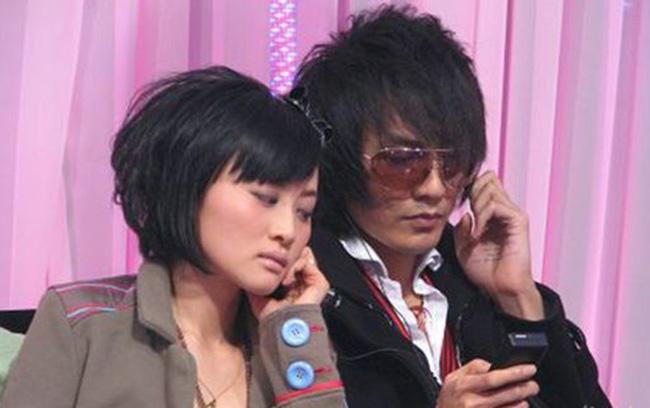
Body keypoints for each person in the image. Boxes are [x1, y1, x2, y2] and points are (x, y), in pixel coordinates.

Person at [294, 5, 612, 407]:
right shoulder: (302, 290)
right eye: (403, 161)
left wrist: (518, 297)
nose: (434, 188)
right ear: (338, 155)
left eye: (453, 162)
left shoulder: (473, 279)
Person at [1, 67, 345, 407]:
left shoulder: (293, 343)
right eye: (266, 198)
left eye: (304, 211)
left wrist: (293, 330)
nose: (288, 231)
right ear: (188, 184)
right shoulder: (81, 323)